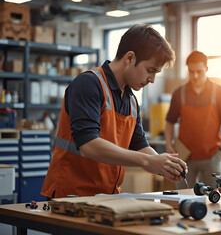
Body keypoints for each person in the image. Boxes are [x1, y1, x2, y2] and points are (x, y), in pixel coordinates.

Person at [41, 24, 187, 199]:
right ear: (130, 58)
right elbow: (89, 145)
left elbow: (140, 146)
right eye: (150, 70)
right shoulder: (88, 84)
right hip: (71, 196)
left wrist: (164, 165)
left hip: (106, 197)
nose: (152, 80)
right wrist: (150, 161)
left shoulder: (131, 100)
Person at [165, 51, 221, 188]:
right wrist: (168, 143)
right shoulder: (179, 93)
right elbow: (170, 121)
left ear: (207, 69)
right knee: (183, 197)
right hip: (184, 158)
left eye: (199, 71)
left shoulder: (219, 92)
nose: (195, 76)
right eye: (191, 72)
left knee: (214, 196)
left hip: (212, 156)